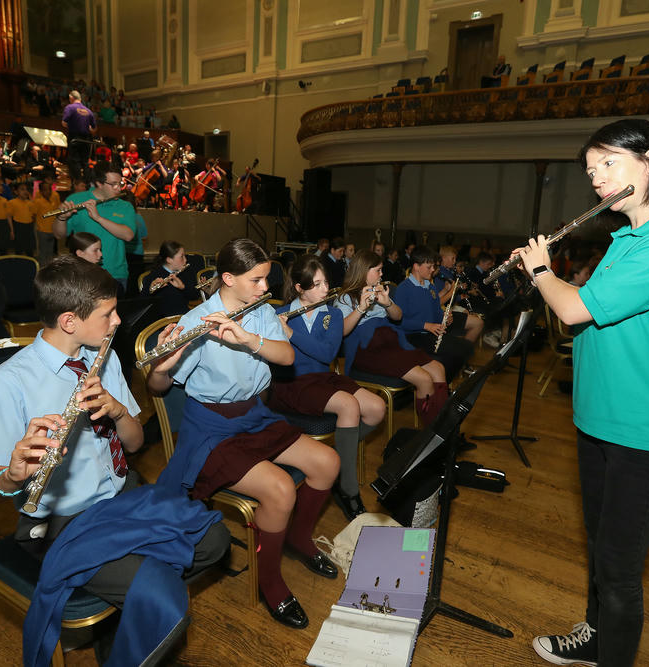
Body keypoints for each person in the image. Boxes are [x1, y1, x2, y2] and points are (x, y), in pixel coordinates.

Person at [0, 255, 229, 663]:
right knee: (163, 599)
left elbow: (135, 445)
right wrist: (13, 476)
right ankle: (132, 615)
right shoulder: (9, 382)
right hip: (62, 524)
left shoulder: (103, 357)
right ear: (70, 321)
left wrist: (119, 411)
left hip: (123, 496)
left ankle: (121, 615)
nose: (118, 321)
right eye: (108, 313)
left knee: (214, 541)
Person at [517, 119, 649, 667]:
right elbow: (593, 313)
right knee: (601, 551)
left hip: (645, 429)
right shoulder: (625, 240)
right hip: (599, 419)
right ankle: (596, 639)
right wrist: (559, 287)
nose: (598, 180)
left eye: (608, 164)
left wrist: (540, 270)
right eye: (591, 171)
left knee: (621, 570)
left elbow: (576, 309)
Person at [147, 238, 340, 629]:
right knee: (281, 489)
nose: (266, 288)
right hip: (212, 428)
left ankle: (298, 539)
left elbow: (286, 357)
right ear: (228, 279)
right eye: (257, 280)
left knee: (327, 462)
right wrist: (161, 366)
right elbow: (157, 388)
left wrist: (249, 339)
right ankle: (270, 582)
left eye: (266, 278)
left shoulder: (261, 310)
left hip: (254, 413)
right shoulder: (197, 322)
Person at [271, 254, 385, 519]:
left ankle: (335, 457)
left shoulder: (332, 314)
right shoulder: (280, 314)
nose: (325, 289)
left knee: (377, 408)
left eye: (326, 282)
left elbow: (326, 354)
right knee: (348, 405)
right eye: (317, 284)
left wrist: (290, 334)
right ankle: (347, 490)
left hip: (323, 378)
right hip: (293, 382)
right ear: (300, 288)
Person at [335, 249, 448, 426]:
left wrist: (387, 303)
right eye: (378, 270)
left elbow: (398, 316)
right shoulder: (345, 298)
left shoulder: (379, 292)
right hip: (367, 351)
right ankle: (431, 429)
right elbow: (341, 331)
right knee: (424, 378)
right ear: (364, 271)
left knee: (438, 368)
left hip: (389, 344)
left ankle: (442, 422)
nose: (382, 274)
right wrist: (360, 309)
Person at [395, 245, 477, 381]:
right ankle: (440, 387)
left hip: (430, 334)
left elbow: (436, 312)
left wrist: (445, 317)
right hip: (412, 337)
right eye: (429, 267)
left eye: (433, 266)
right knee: (456, 352)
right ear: (416, 266)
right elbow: (399, 321)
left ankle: (443, 385)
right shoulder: (404, 289)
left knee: (466, 348)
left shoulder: (430, 287)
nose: (433, 270)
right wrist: (426, 325)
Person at [53, 163, 135, 294]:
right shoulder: (76, 199)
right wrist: (61, 218)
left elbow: (128, 235)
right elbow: (59, 235)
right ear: (99, 183)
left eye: (120, 183)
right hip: (82, 274)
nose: (119, 188)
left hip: (115, 274)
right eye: (113, 184)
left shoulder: (125, 206)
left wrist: (98, 218)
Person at [142, 241, 197, 316]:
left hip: (183, 316)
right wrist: (150, 290)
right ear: (169, 260)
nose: (185, 260)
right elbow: (142, 302)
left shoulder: (185, 273)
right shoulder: (154, 276)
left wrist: (183, 288)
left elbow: (194, 296)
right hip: (162, 320)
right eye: (182, 257)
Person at [61, 90, 97, 178]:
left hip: (74, 138)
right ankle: (87, 183)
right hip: (86, 140)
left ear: (71, 98)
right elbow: (94, 128)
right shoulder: (88, 111)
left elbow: (64, 123)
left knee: (74, 161)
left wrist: (73, 124)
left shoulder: (70, 107)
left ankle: (77, 183)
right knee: (85, 162)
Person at [33, 175, 60, 266]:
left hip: (52, 229)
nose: (48, 192)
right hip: (42, 231)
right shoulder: (38, 202)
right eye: (44, 190)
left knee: (50, 251)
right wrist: (38, 225)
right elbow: (34, 214)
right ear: (40, 191)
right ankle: (42, 268)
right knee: (43, 252)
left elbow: (57, 211)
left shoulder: (54, 199)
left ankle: (49, 267)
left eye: (49, 189)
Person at [7, 182, 36, 257]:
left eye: (26, 189)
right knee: (19, 251)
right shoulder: (12, 202)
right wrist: (12, 230)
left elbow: (33, 216)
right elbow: (9, 217)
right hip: (18, 227)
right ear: (16, 192)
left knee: (30, 250)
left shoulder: (30, 203)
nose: (25, 191)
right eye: (22, 189)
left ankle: (31, 265)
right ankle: (19, 265)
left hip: (29, 228)